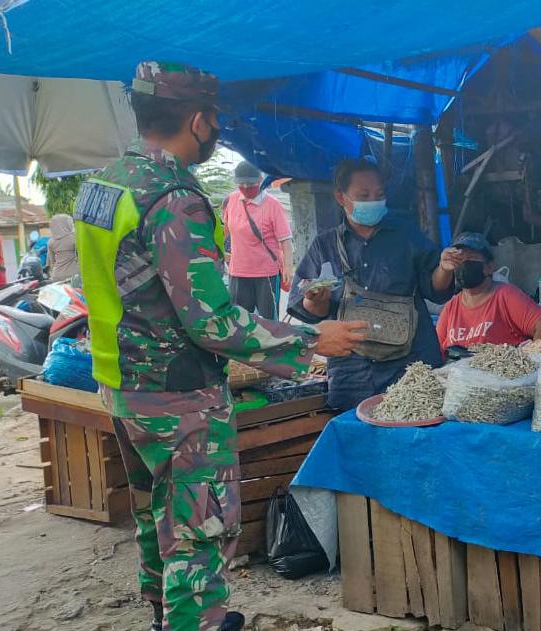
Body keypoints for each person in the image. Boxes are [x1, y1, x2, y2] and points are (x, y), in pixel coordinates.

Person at [73, 61, 366, 631]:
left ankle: (169, 619)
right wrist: (311, 338)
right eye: (214, 123)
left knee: (157, 520)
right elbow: (212, 322)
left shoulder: (103, 184)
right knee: (198, 534)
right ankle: (196, 623)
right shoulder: (173, 196)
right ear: (201, 121)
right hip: (177, 398)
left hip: (121, 388)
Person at [288, 158, 459, 410]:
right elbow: (311, 312)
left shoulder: (406, 235)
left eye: (379, 194)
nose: (373, 201)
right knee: (357, 437)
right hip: (354, 372)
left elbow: (435, 289)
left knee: (416, 431)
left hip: (412, 364)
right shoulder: (324, 246)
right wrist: (316, 300)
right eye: (363, 195)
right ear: (340, 197)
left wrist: (445, 268)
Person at [436, 232, 541, 352]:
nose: (464, 264)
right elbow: (436, 351)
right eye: (460, 259)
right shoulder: (450, 308)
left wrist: (529, 361)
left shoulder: (505, 295)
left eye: (471, 258)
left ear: (489, 266)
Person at [222, 161, 293, 319]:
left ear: (261, 180)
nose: (246, 188)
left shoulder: (273, 205)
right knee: (239, 322)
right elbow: (226, 231)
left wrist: (288, 266)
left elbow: (286, 241)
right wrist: (222, 253)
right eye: (242, 184)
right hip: (238, 272)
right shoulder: (232, 200)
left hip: (266, 274)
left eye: (251, 184)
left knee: (269, 322)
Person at [47, 213, 79, 281]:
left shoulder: (51, 242)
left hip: (56, 276)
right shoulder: (75, 238)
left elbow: (52, 262)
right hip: (74, 275)